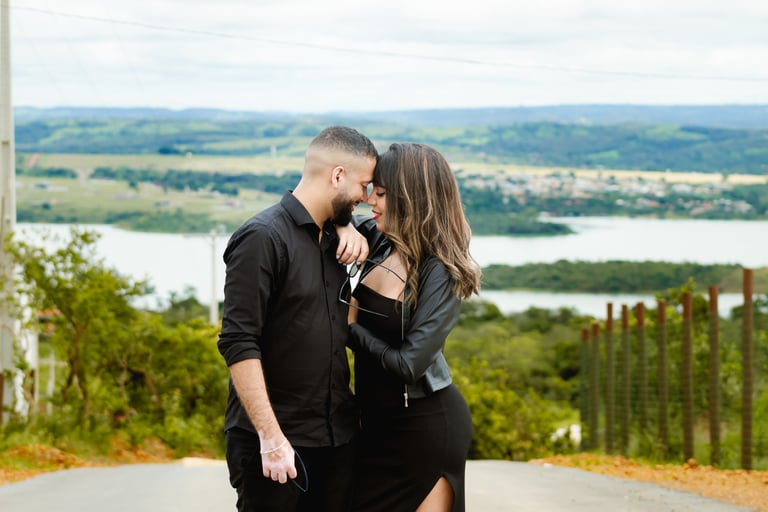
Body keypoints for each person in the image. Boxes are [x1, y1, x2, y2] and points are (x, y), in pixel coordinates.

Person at [217, 125, 378, 512]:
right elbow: (238, 342)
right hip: (275, 444)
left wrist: (347, 223)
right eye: (364, 185)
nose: (366, 198)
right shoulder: (262, 237)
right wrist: (271, 439)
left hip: (336, 440)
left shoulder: (336, 237)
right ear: (337, 176)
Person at [345, 142, 481, 512]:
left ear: (411, 198)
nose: (370, 201)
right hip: (374, 425)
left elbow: (410, 364)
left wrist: (351, 329)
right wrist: (344, 228)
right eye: (372, 190)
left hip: (424, 428)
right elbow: (327, 216)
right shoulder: (379, 240)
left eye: (382, 193)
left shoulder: (441, 270)